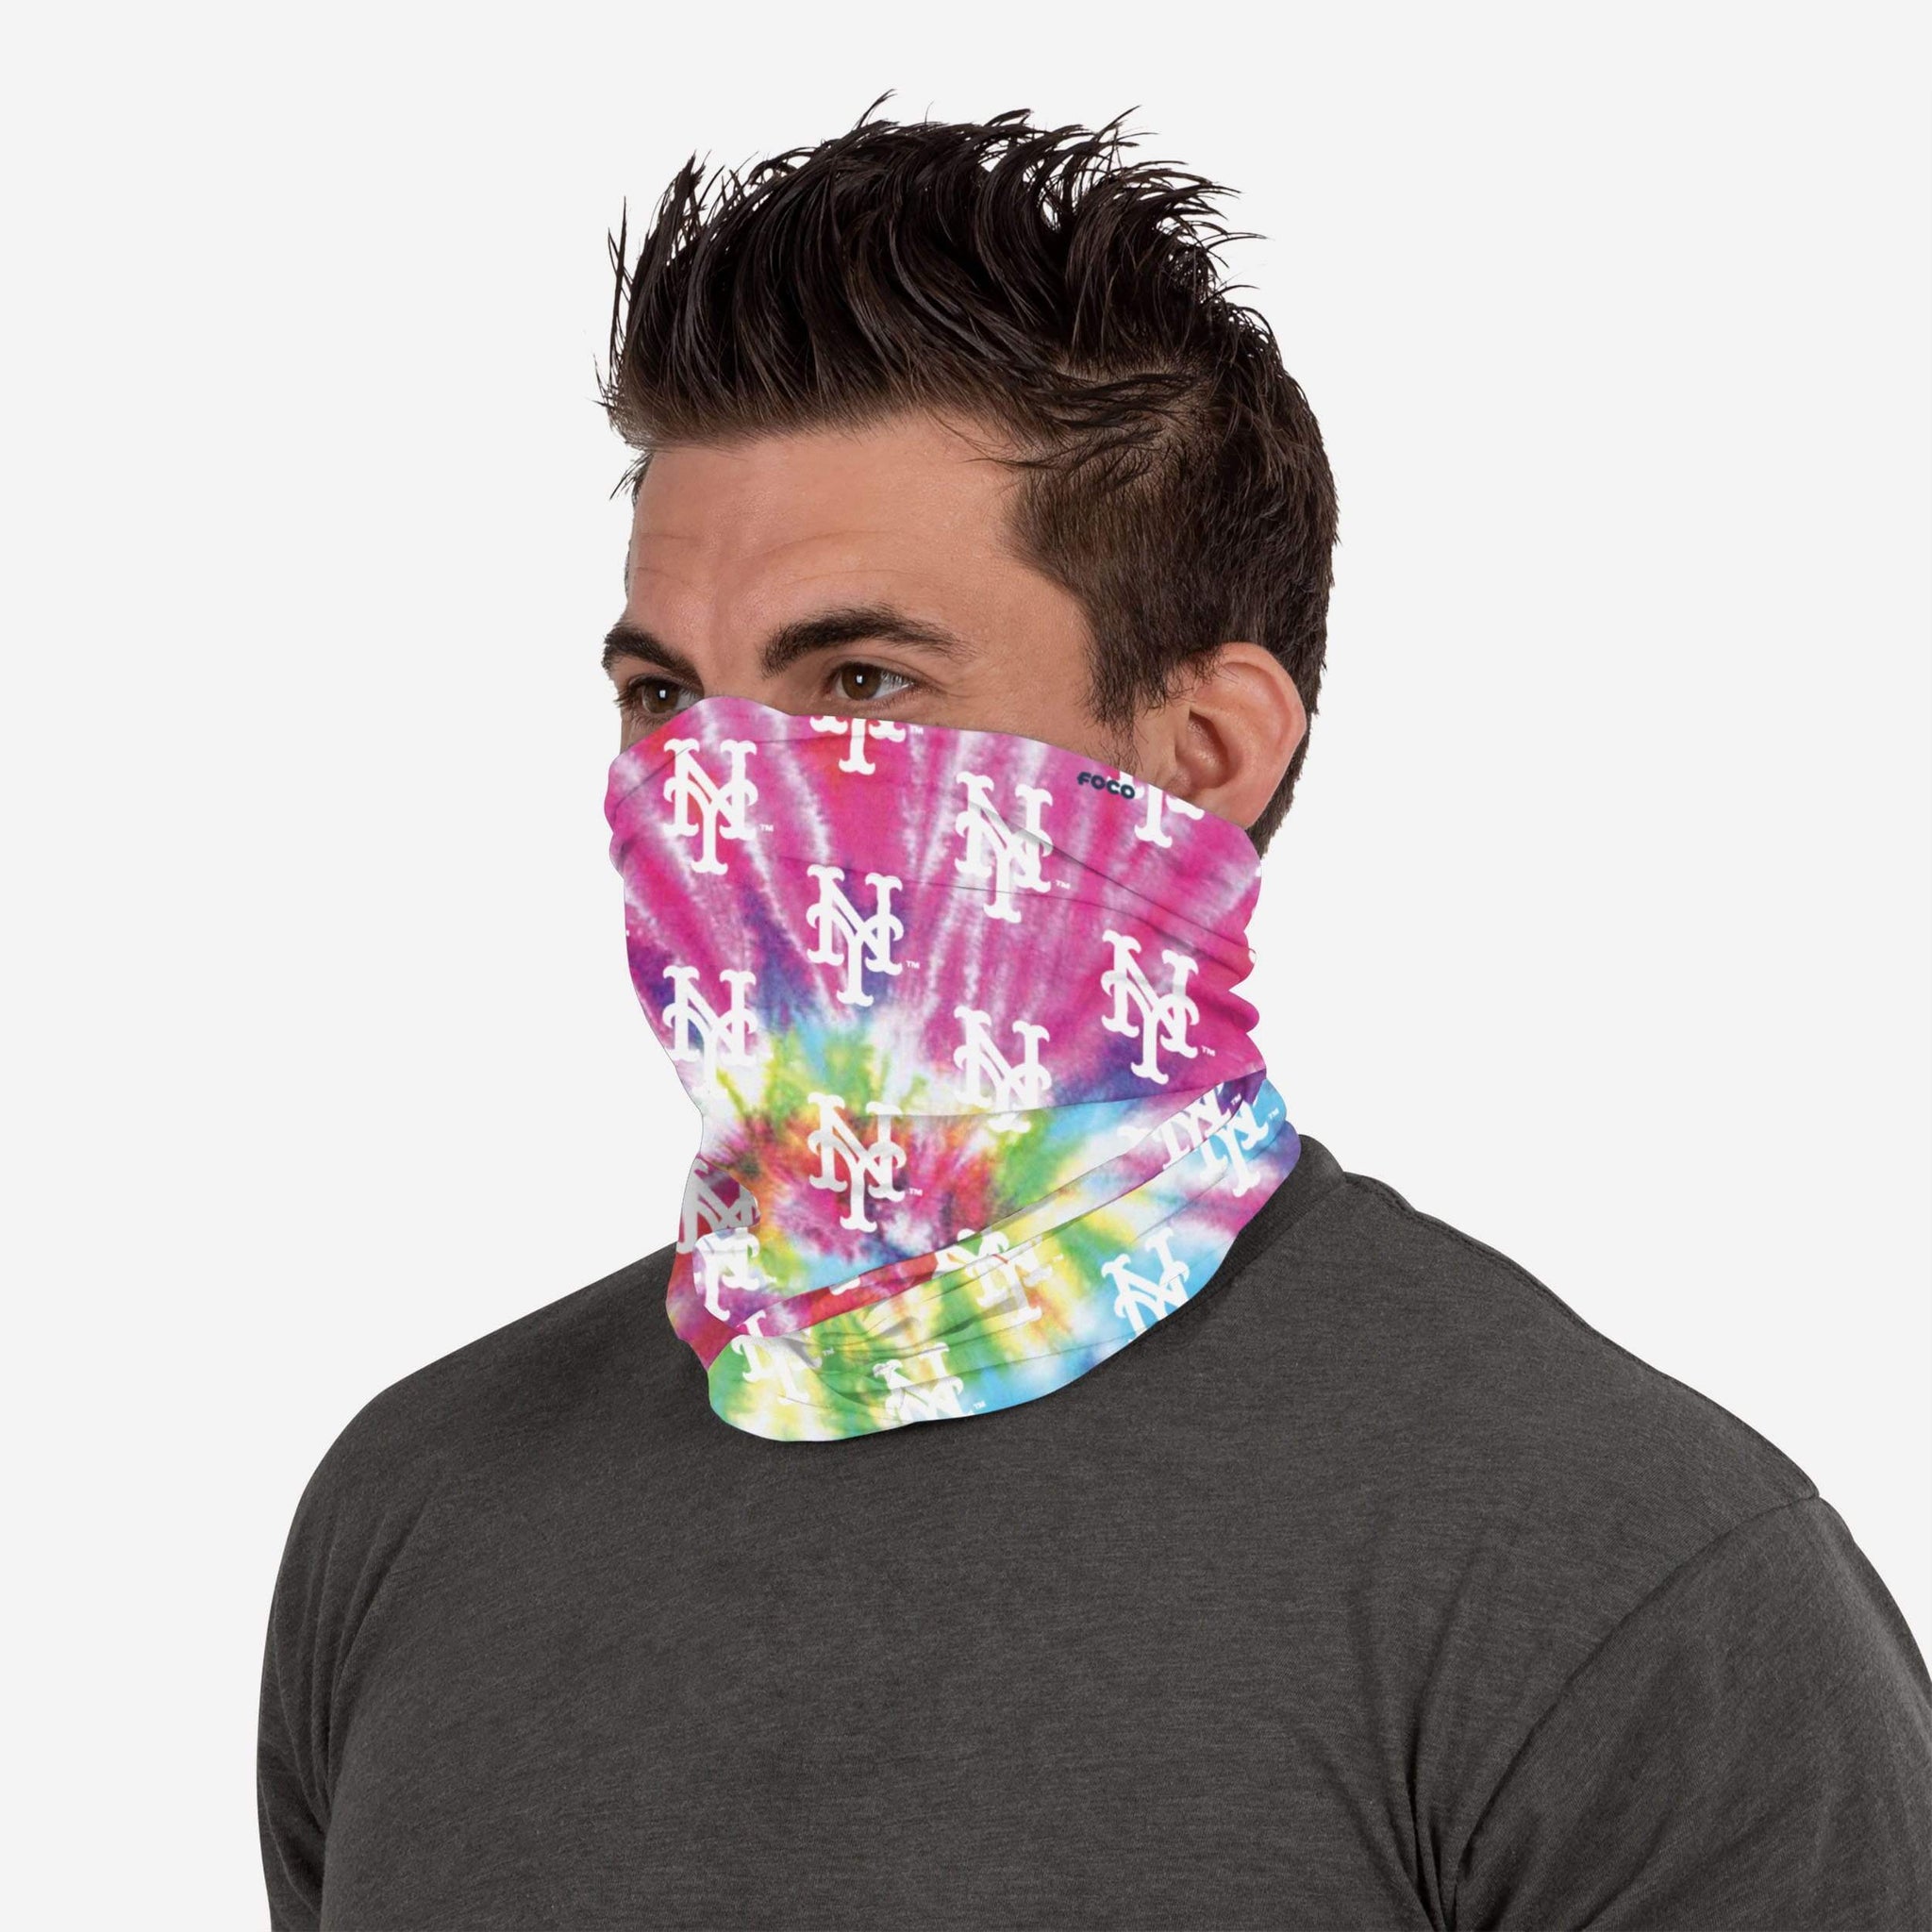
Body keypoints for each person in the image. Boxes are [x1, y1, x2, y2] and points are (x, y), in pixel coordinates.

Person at [257, 108, 1932, 1930]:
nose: (717, 792)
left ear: (1203, 751)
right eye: (665, 698)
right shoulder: (415, 1513)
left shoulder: (1614, 1583)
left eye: (864, 682)